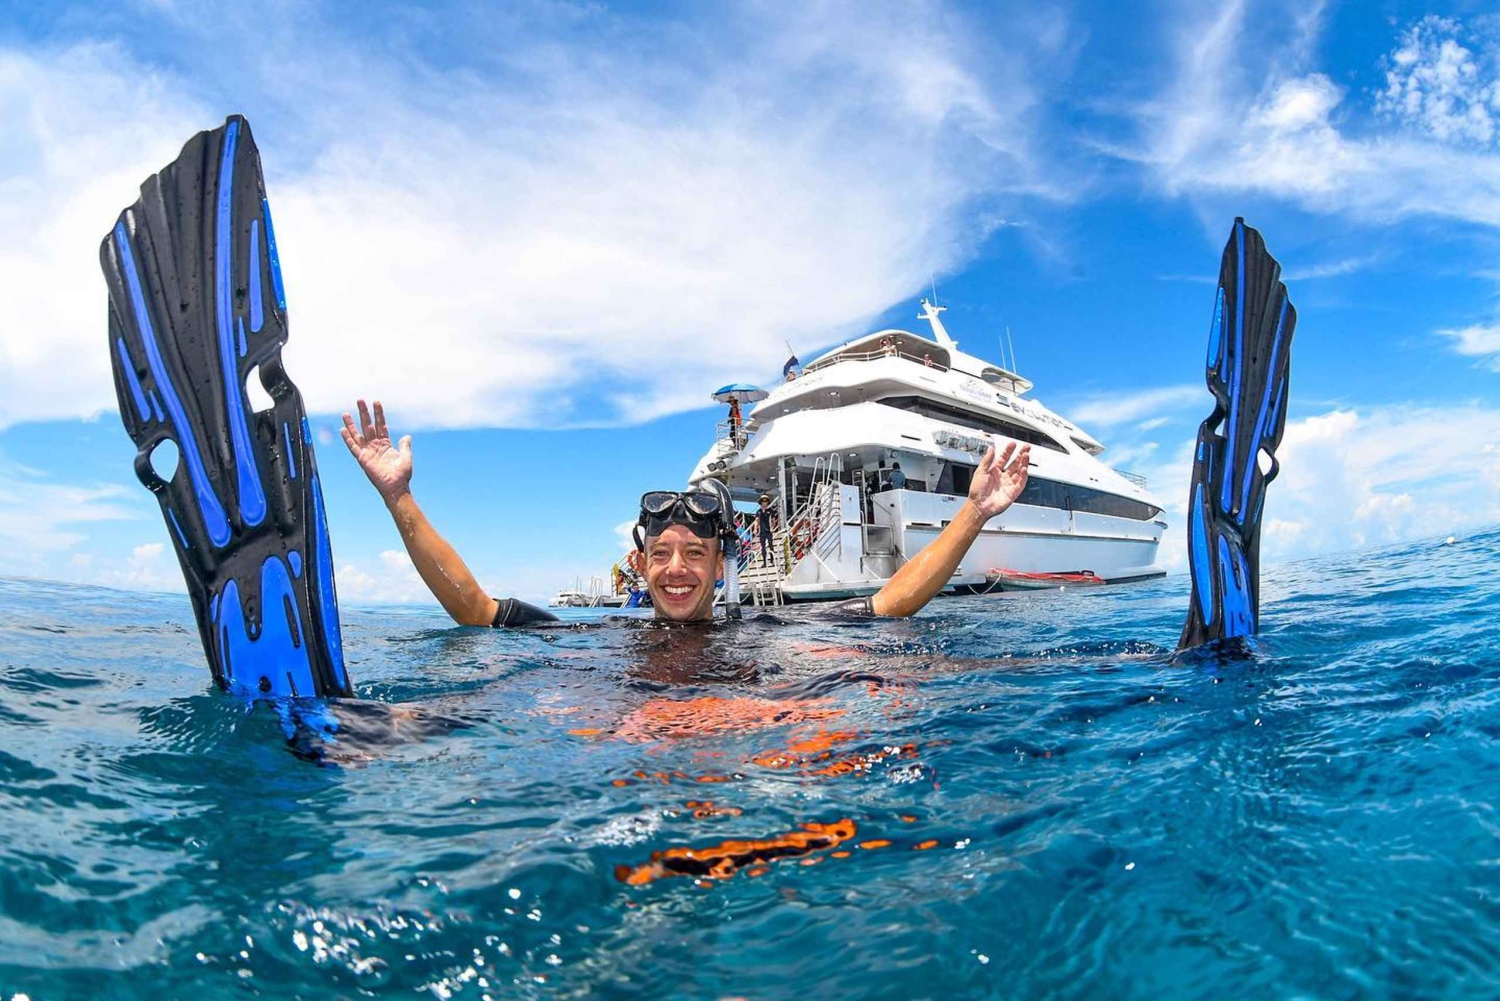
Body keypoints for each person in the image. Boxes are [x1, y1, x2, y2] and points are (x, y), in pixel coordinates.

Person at [341, 399, 1030, 625]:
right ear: (638, 563)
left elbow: (888, 602)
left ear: (722, 560)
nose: (676, 570)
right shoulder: (601, 640)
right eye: (663, 554)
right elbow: (478, 610)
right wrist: (398, 498)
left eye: (695, 554)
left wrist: (972, 514)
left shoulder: (761, 633)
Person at [756, 494, 776, 567]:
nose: (764, 503)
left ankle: (772, 560)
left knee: (771, 545)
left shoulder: (770, 511)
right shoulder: (758, 511)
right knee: (763, 547)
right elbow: (757, 521)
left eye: (766, 501)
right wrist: (755, 529)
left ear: (767, 503)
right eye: (763, 502)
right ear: (761, 502)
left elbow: (773, 520)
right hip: (762, 531)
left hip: (769, 531)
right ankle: (764, 562)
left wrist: (772, 527)